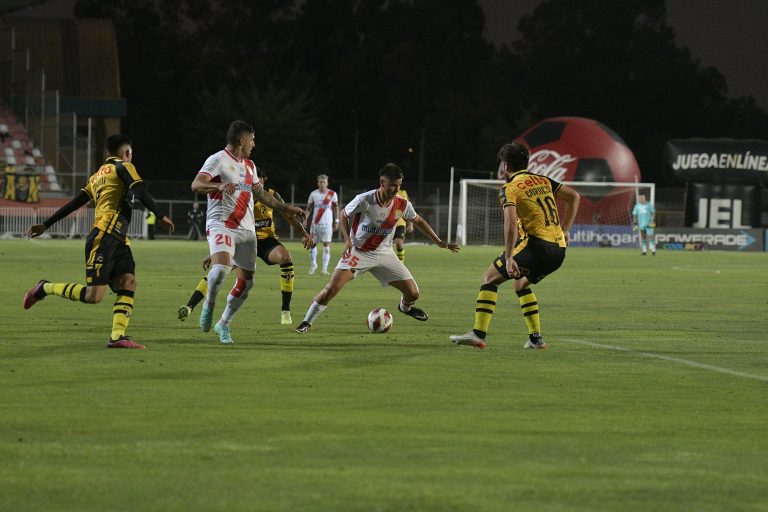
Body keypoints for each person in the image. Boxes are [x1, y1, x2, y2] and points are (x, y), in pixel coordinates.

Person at [23, 134, 175, 349]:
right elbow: (139, 190)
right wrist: (160, 215)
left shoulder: (97, 176)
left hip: (119, 240)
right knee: (93, 296)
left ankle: (118, 336)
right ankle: (44, 288)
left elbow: (75, 203)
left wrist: (46, 224)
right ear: (127, 153)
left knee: (128, 281)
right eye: (130, 153)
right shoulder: (124, 166)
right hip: (104, 237)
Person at [295, 163, 459, 334]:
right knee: (332, 288)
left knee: (413, 294)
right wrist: (347, 240)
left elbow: (418, 221)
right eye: (392, 185)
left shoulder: (402, 204)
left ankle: (405, 308)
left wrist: (439, 241)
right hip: (358, 252)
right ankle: (306, 322)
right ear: (382, 182)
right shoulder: (364, 199)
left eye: (399, 185)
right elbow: (344, 214)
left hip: (384, 253)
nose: (396, 189)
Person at [450, 141, 580, 350]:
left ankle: (477, 334)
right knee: (520, 284)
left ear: (506, 166)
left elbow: (510, 224)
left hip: (536, 246)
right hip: (558, 252)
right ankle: (536, 339)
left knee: (489, 278)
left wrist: (510, 257)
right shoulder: (544, 180)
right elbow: (574, 197)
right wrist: (564, 230)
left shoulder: (509, 188)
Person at [190, 120, 305, 344]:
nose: (254, 144)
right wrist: (218, 186)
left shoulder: (250, 165)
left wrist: (287, 208)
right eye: (252, 140)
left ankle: (223, 324)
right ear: (241, 140)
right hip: (221, 223)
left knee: (246, 283)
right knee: (221, 270)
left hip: (246, 229)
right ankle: (209, 302)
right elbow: (196, 184)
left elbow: (261, 195)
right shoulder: (217, 159)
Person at [179, 173, 314, 325]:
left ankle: (285, 311)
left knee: (285, 258)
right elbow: (228, 225)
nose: (258, 183)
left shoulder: (271, 195)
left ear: (263, 180)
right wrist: (217, 251)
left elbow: (287, 214)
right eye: (255, 180)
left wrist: (304, 234)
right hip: (243, 241)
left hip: (266, 241)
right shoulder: (240, 196)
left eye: (260, 179)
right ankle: (190, 306)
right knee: (219, 270)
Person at [305, 174, 339, 275]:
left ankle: (324, 268)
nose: (322, 184)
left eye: (324, 182)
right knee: (312, 244)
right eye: (320, 182)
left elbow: (336, 208)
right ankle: (313, 265)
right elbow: (308, 208)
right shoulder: (313, 194)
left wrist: (337, 221)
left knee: (326, 245)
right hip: (315, 224)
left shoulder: (332, 194)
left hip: (327, 225)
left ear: (327, 183)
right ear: (318, 183)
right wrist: (305, 219)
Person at [393, 188, 413, 262]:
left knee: (399, 243)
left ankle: (401, 263)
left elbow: (407, 209)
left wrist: (410, 224)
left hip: (400, 223)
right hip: (387, 223)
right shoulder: (384, 192)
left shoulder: (402, 193)